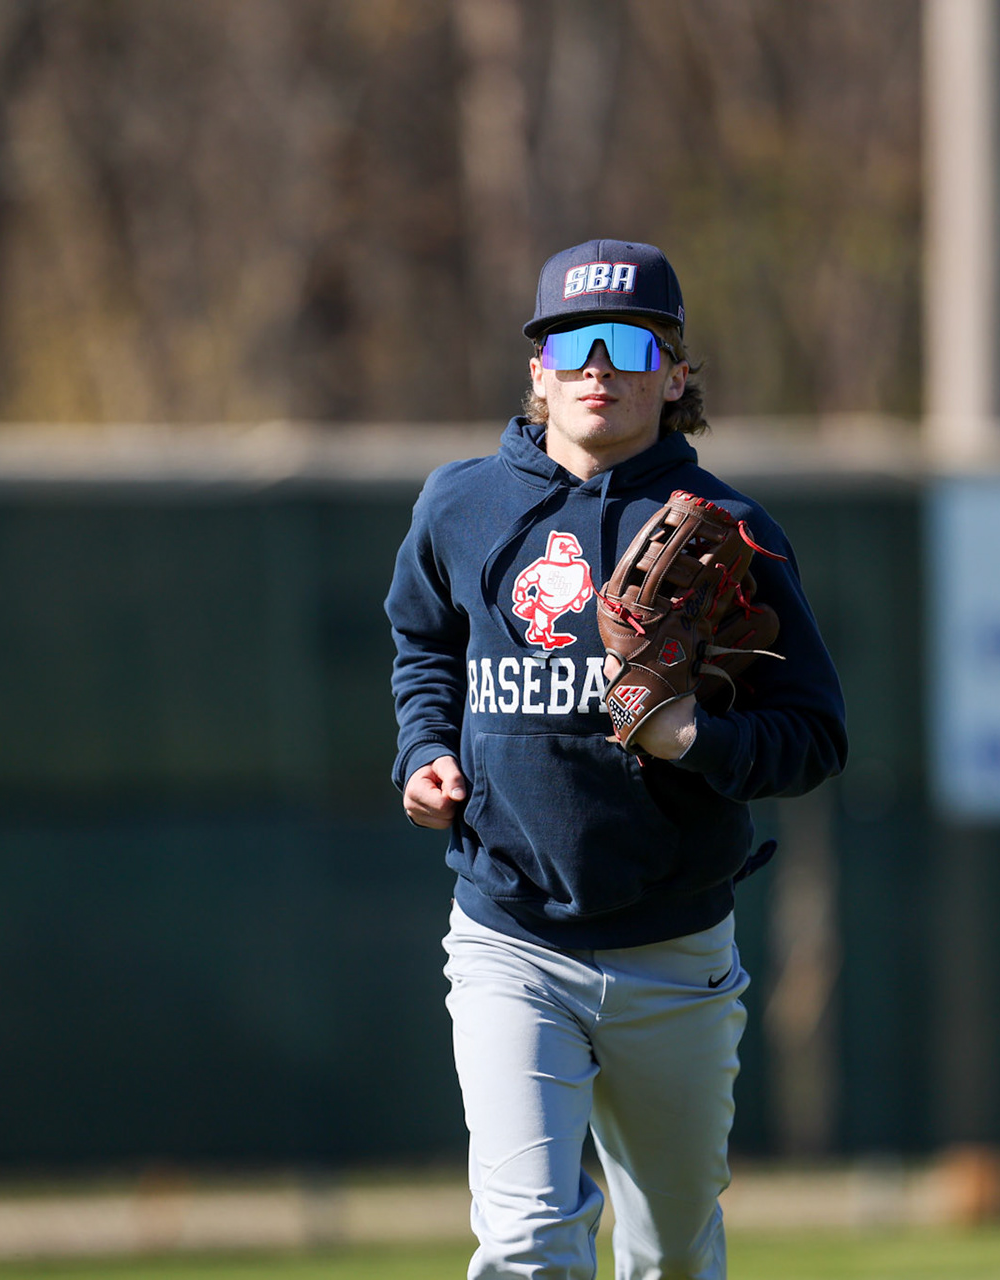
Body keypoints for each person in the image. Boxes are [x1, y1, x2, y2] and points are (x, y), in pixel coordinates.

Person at [384, 239, 847, 1280]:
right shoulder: (461, 506)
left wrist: (694, 737)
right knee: (526, 1242)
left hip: (674, 950)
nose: (599, 364)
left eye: (630, 340)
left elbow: (817, 735)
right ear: (538, 368)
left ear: (674, 374)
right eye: (571, 340)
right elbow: (422, 640)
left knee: (668, 1254)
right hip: (510, 937)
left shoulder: (731, 529)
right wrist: (425, 748)